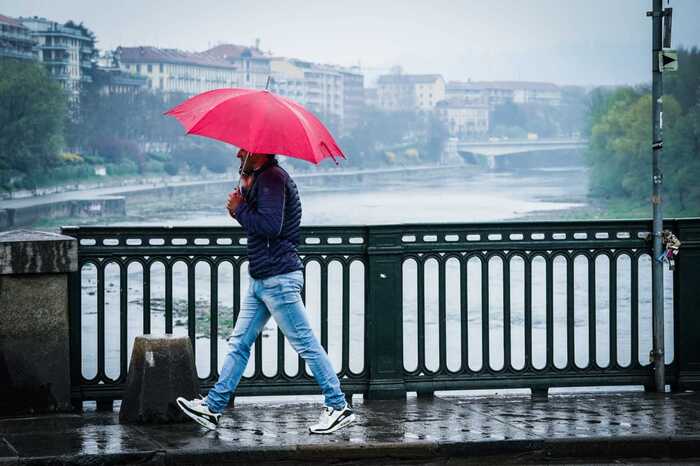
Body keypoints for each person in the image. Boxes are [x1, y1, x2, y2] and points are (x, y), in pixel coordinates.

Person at [177, 149, 355, 434]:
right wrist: (244, 198)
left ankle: (338, 406)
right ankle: (212, 408)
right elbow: (260, 225)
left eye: (243, 148)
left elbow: (271, 227)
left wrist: (240, 208)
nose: (237, 152)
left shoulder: (273, 179)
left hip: (278, 278)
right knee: (239, 343)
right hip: (262, 278)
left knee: (306, 344)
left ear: (258, 151)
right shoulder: (264, 178)